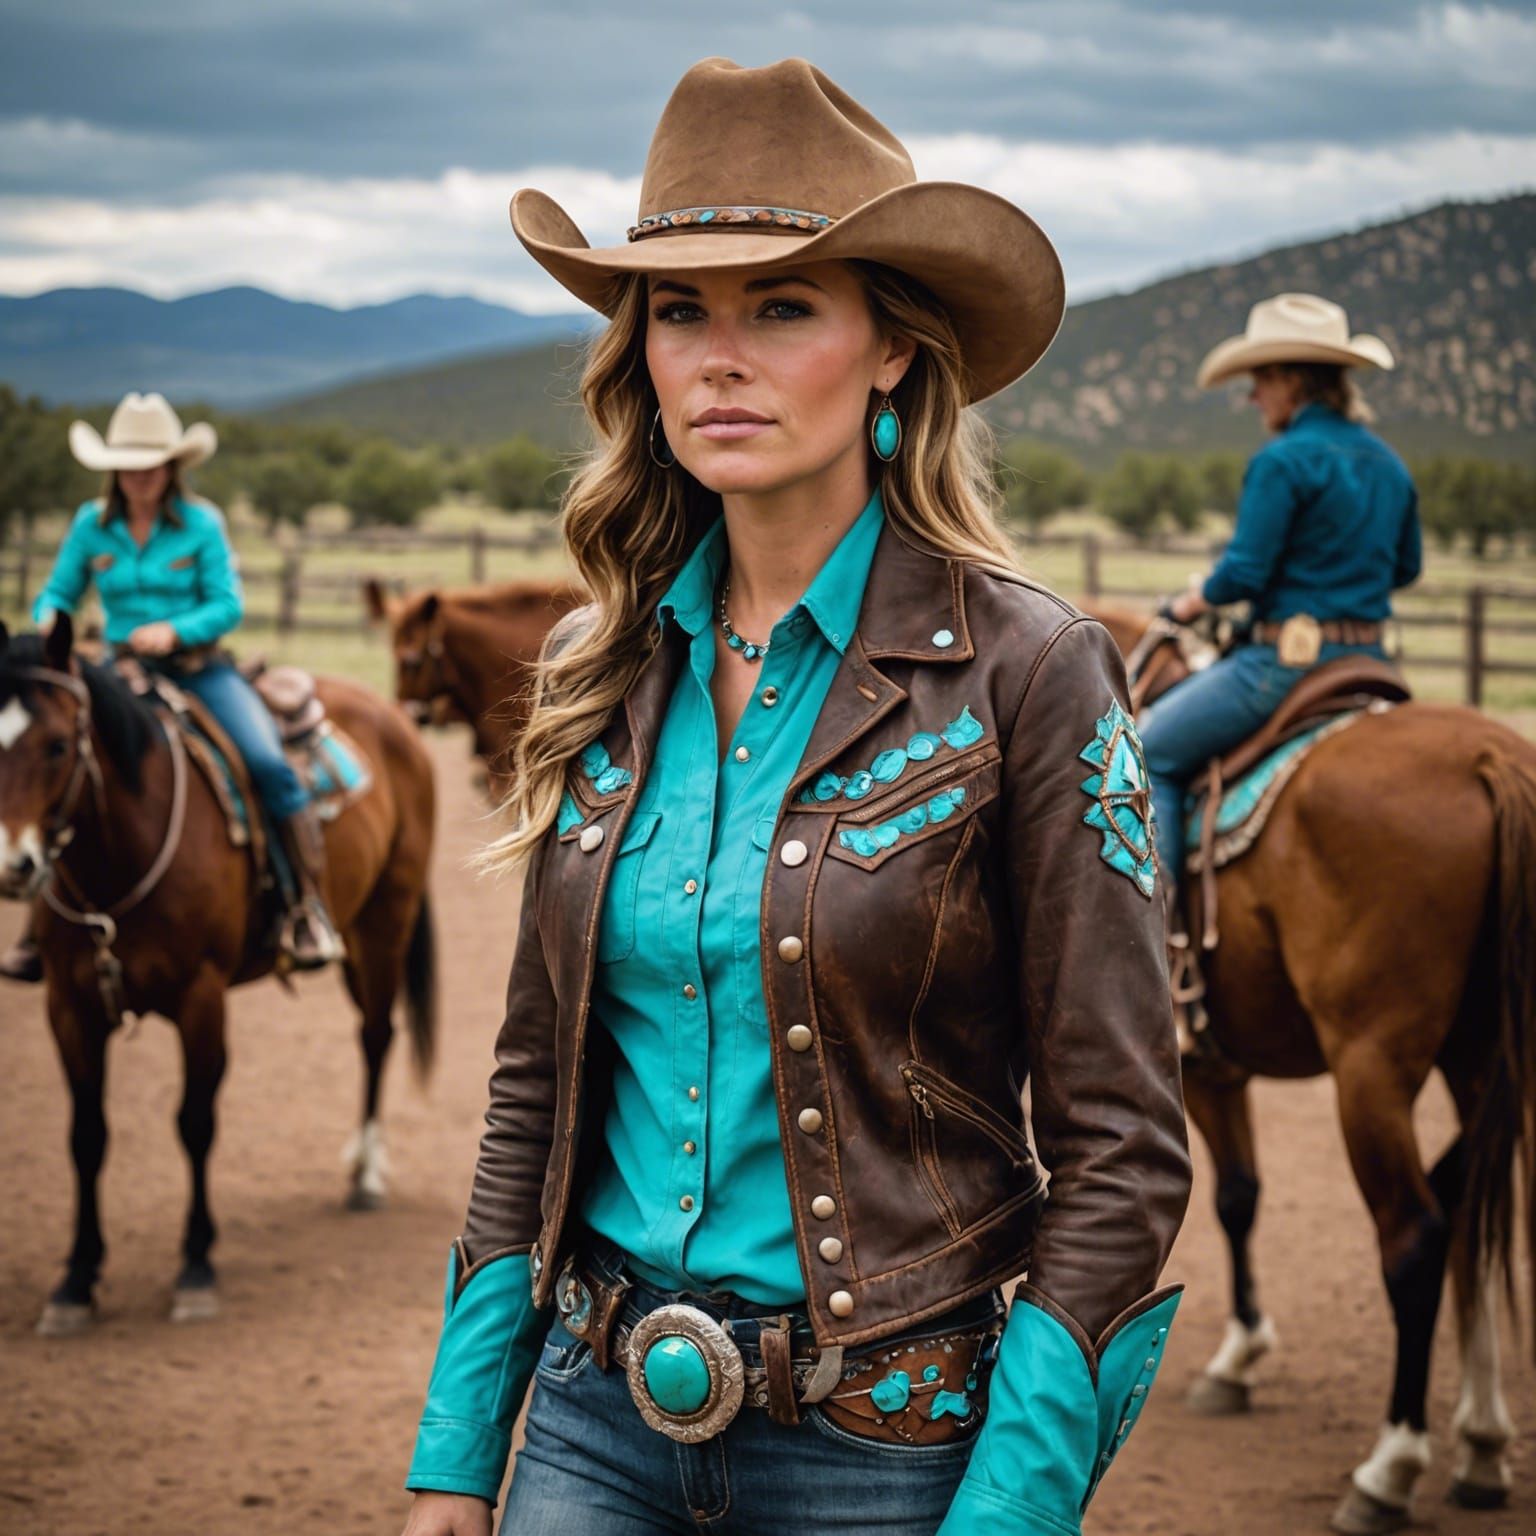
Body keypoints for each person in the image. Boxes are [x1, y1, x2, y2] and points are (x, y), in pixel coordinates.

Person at [402, 57, 1190, 1536]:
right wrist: (460, 1448)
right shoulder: (596, 664)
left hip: (887, 1453)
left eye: (782, 307)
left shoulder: (1036, 674)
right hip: (587, 1423)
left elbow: (1123, 1151)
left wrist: (1011, 1507)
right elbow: (535, 1088)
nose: (719, 357)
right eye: (679, 312)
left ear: (893, 347)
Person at [2, 391, 343, 977]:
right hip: (113, 671)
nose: (140, 476)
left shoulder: (201, 524)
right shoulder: (91, 526)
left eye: (152, 464)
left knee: (269, 765)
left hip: (200, 670)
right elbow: (57, 590)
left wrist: (175, 631)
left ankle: (303, 907)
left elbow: (227, 605)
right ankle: (44, 928)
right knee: (68, 771)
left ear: (172, 467)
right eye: (130, 465)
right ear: (114, 469)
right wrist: (49, 616)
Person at [1140, 292, 1422, 898]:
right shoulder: (1391, 465)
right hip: (1370, 660)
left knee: (1146, 754)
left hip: (1283, 665)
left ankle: (1151, 940)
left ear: (1290, 380)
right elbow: (1406, 568)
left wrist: (1192, 601)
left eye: (1259, 382)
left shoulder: (1283, 461)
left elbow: (1242, 573)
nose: (1252, 399)